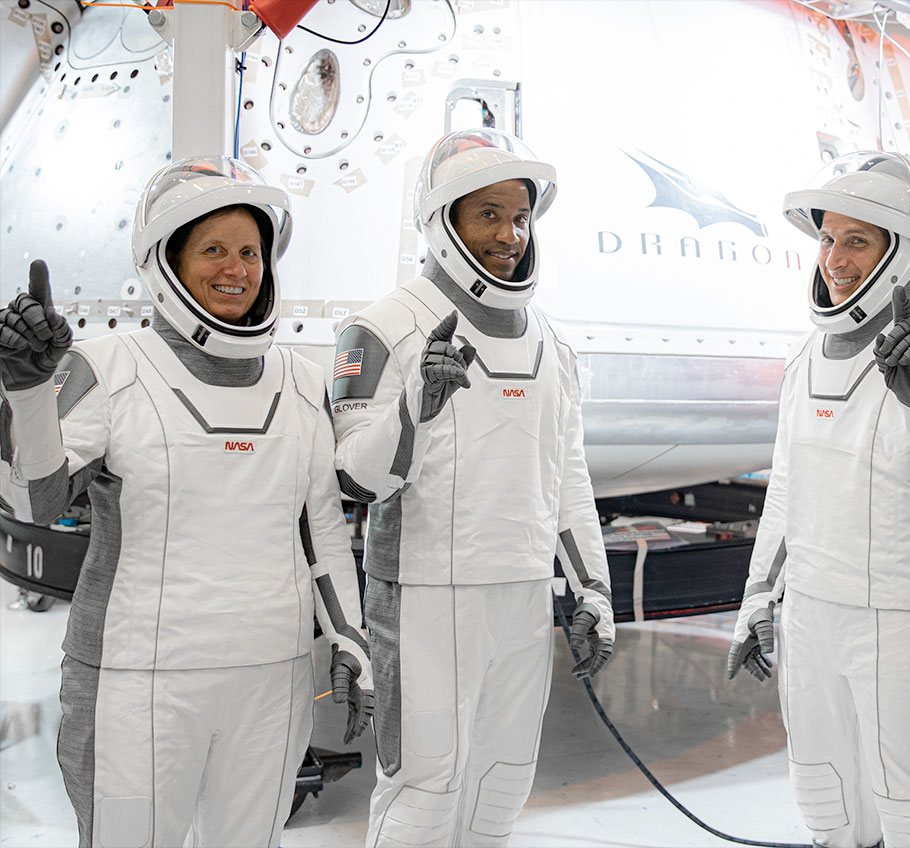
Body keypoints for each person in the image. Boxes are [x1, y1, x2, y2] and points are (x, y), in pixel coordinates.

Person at [0, 157, 373, 847]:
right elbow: (32, 499)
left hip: (272, 677)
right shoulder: (109, 367)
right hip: (137, 680)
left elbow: (322, 528)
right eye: (212, 249)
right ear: (165, 261)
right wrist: (25, 390)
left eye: (250, 252)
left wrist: (350, 639)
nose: (236, 268)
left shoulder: (299, 380)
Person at [330, 128, 615, 847]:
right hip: (423, 595)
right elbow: (356, 477)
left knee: (502, 786)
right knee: (424, 790)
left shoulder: (553, 340)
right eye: (488, 214)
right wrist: (413, 410)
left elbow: (566, 475)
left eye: (519, 217)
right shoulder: (383, 328)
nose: (509, 235)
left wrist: (593, 590)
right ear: (443, 219)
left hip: (521, 593)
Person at [728, 151, 910, 848]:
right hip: (812, 617)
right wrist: (759, 597)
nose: (834, 259)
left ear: (903, 249)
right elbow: (786, 488)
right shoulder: (807, 357)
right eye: (827, 239)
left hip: (903, 623)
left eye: (856, 240)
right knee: (826, 804)